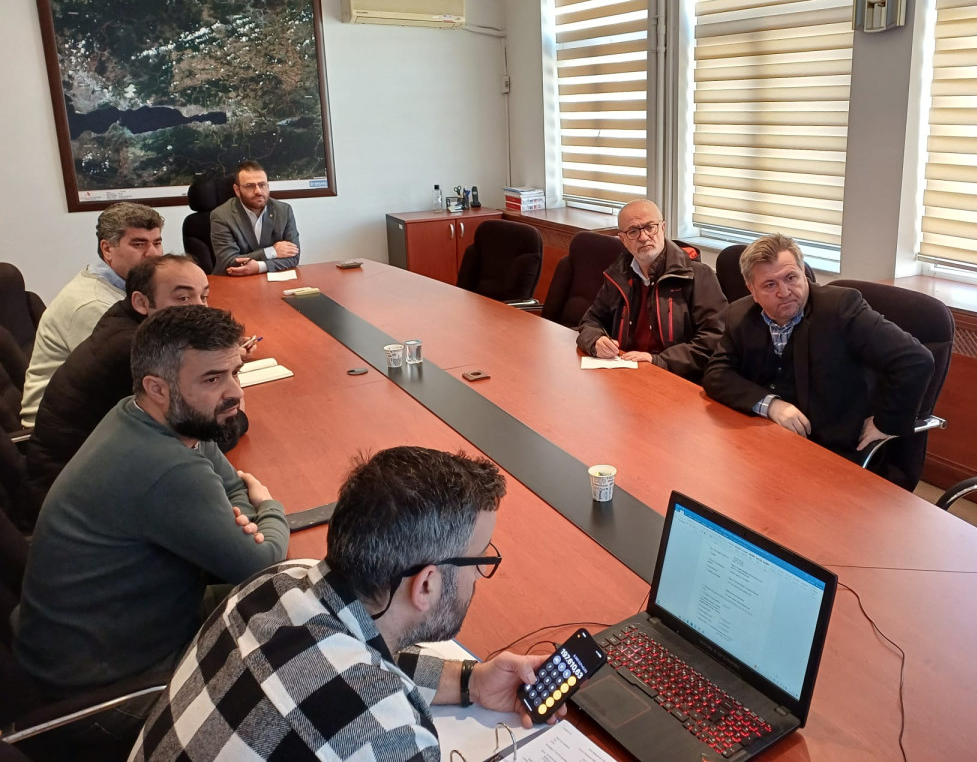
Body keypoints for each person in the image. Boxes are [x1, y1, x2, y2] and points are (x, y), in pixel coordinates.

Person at [131, 446, 570, 761]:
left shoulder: (276, 583)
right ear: (426, 585)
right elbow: (361, 693)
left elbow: (355, 658)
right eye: (480, 561)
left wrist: (471, 681)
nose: (479, 577)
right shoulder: (389, 735)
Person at [13, 304, 288, 751]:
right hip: (106, 691)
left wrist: (239, 510)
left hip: (98, 642)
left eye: (234, 372)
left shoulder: (148, 416)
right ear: (157, 387)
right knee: (286, 671)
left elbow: (228, 482)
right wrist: (268, 505)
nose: (235, 392)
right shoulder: (166, 467)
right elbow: (261, 563)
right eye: (212, 379)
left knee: (285, 609)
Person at [22, 254, 250, 520]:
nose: (201, 309)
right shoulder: (136, 351)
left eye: (204, 296)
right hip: (79, 501)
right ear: (141, 302)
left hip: (95, 476)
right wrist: (238, 414)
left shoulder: (128, 322)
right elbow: (207, 436)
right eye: (183, 298)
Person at [702, 233, 933, 462]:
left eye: (791, 278)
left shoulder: (841, 309)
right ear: (752, 290)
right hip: (765, 438)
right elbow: (717, 374)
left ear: (803, 273)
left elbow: (915, 360)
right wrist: (770, 405)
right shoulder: (740, 314)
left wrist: (886, 423)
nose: (784, 292)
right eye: (770, 285)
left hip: (830, 448)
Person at [20, 201, 164, 425]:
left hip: (99, 409)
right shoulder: (93, 304)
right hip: (60, 427)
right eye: (139, 244)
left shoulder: (129, 287)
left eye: (157, 242)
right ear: (107, 249)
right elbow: (139, 374)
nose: (152, 254)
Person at [577, 200, 726, 381]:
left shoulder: (698, 275)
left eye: (650, 227)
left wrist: (659, 361)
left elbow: (714, 339)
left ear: (662, 228)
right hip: (626, 373)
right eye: (633, 231)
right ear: (623, 239)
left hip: (675, 377)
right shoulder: (618, 274)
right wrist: (595, 341)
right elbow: (591, 320)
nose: (643, 237)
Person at [210, 160, 301, 276]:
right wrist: (271, 252)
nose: (258, 191)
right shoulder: (222, 216)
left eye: (262, 185)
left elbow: (294, 257)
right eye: (250, 186)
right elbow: (228, 261)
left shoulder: (284, 210)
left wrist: (259, 267)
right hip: (233, 280)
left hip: (271, 280)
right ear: (237, 190)